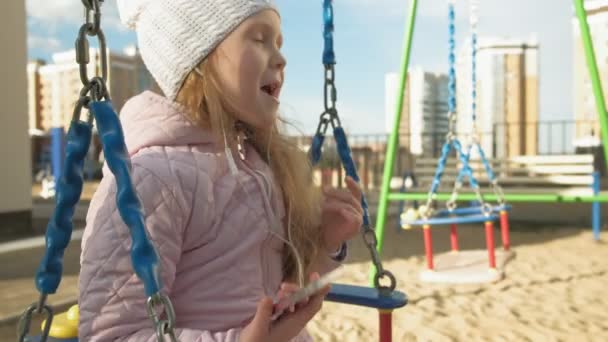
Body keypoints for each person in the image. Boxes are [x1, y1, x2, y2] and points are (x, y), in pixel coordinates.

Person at [78, 0, 363, 340]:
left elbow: (275, 283)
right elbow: (112, 335)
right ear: (197, 58)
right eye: (259, 39)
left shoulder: (255, 164)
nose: (281, 58)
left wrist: (325, 242)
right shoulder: (151, 179)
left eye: (278, 43)